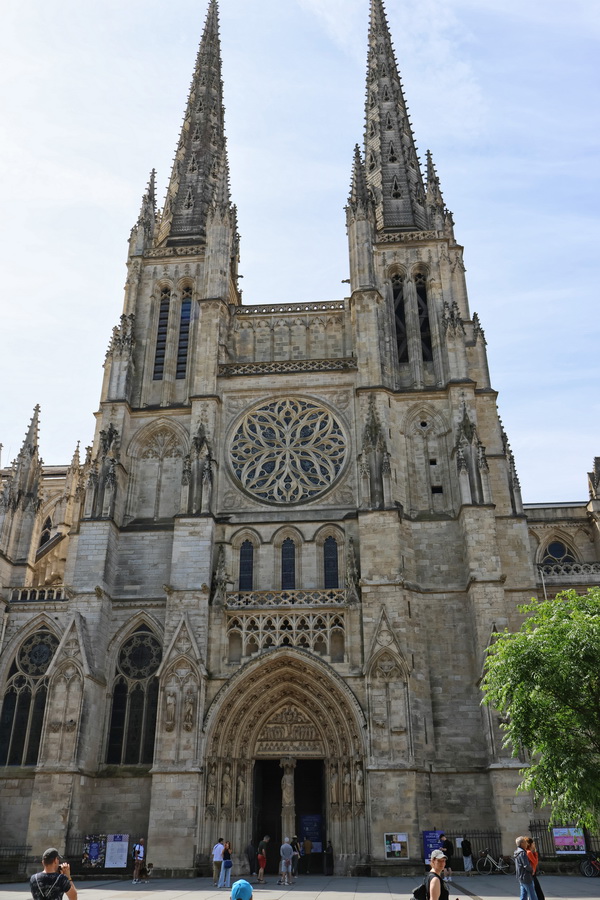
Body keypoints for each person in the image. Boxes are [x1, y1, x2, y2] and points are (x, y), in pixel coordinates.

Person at [514, 836, 538, 900]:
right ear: (521, 843)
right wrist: (532, 870)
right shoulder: (522, 853)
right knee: (533, 896)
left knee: (523, 895)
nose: (526, 844)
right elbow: (526, 865)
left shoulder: (517, 852)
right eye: (525, 842)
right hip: (526, 876)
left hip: (520, 876)